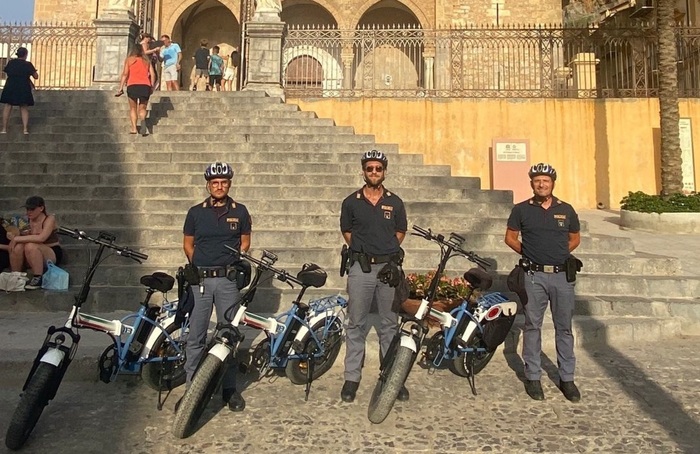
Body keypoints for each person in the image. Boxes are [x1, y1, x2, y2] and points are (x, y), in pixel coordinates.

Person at [504, 163, 582, 403]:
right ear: (531, 183)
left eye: (545, 181)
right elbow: (509, 237)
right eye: (537, 180)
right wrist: (528, 254)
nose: (541, 184)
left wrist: (558, 255)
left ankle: (566, 378)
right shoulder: (521, 210)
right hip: (534, 276)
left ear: (552, 183)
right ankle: (533, 376)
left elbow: (575, 238)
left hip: (561, 277)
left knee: (564, 328)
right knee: (532, 326)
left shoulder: (566, 210)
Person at [182, 162, 252, 411]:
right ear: (208, 185)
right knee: (196, 335)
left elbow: (245, 241)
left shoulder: (240, 211)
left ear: (229, 184)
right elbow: (188, 243)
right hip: (200, 280)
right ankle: (192, 389)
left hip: (227, 281)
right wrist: (198, 263)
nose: (219, 186)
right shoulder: (195, 212)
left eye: (223, 182)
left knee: (228, 335)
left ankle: (229, 389)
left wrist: (232, 262)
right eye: (215, 183)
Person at [339, 150, 408, 403]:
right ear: (363, 172)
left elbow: (401, 231)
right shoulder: (351, 202)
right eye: (370, 169)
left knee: (389, 324)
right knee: (356, 323)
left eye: (378, 169)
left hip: (388, 270)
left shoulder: (395, 202)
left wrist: (386, 250)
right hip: (361, 269)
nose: (374, 173)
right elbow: (346, 231)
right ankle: (351, 377)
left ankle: (391, 376)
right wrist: (363, 250)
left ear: (384, 171)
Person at [5, 196, 63, 290]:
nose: (29, 212)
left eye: (32, 209)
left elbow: (41, 238)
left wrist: (16, 239)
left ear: (41, 208)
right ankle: (16, 277)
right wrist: (12, 235)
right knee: (18, 247)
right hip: (30, 253)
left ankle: (38, 277)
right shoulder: (25, 221)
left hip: (50, 251)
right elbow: (14, 231)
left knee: (30, 245)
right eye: (27, 209)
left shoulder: (49, 219)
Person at [116, 44, 156, 136]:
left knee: (133, 108)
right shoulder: (146, 60)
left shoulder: (129, 60)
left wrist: (120, 88)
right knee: (142, 108)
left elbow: (125, 74)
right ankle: (142, 119)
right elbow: (152, 74)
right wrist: (152, 86)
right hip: (145, 85)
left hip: (132, 85)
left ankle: (134, 128)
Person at [1, 47, 39, 135]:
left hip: (11, 85)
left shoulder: (11, 63)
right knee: (24, 107)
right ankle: (25, 129)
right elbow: (36, 76)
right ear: (25, 54)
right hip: (23, 86)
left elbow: (7, 71)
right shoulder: (28, 64)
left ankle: (4, 129)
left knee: (8, 106)